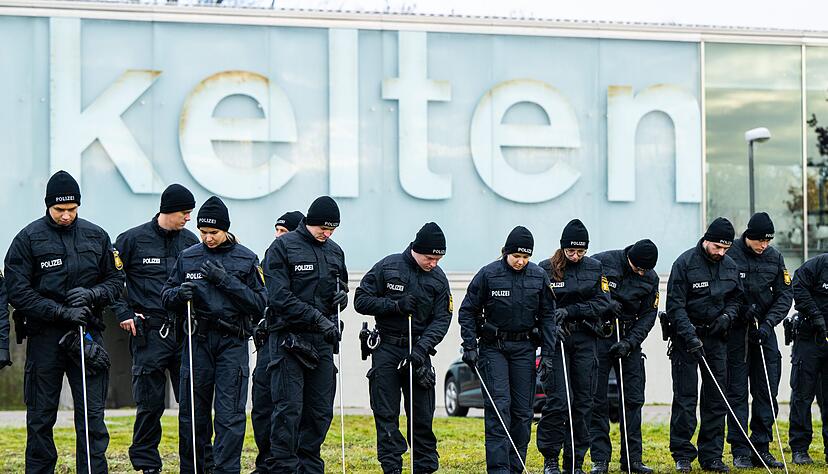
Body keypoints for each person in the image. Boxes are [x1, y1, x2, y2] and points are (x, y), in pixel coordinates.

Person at [4, 170, 124, 473]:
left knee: (92, 417)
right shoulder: (27, 238)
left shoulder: (97, 236)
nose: (66, 216)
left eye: (72, 209)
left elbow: (116, 281)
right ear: (48, 206)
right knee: (41, 417)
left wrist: (93, 294)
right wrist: (59, 312)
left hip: (87, 337)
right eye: (59, 210)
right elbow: (17, 292)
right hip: (45, 338)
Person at [161, 196, 267, 474]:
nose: (207, 238)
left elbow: (260, 303)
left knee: (229, 415)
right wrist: (177, 295)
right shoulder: (189, 256)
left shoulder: (246, 258)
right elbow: (166, 295)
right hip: (197, 341)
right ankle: (194, 469)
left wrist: (225, 280)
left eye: (214, 233)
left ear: (226, 230)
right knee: (192, 415)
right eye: (203, 232)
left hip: (232, 342)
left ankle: (226, 470)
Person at [112, 184, 199, 474]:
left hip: (185, 332)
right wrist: (123, 312)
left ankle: (194, 463)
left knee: (191, 404)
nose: (188, 218)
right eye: (185, 213)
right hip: (148, 332)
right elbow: (111, 278)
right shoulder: (132, 240)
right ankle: (147, 463)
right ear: (168, 210)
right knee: (150, 405)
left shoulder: (190, 241)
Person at [458, 226, 558, 474]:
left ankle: (516, 466)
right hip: (494, 349)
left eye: (525, 257)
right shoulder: (489, 274)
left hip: (525, 349)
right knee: (499, 408)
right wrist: (470, 345)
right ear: (506, 252)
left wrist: (548, 353)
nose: (520, 262)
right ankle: (499, 469)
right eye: (516, 257)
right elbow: (467, 311)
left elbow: (548, 316)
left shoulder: (538, 276)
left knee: (523, 412)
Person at [354, 222, 452, 474]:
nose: (434, 263)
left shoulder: (439, 279)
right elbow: (360, 300)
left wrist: (421, 351)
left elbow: (442, 319)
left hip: (418, 350)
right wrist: (394, 306)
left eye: (438, 258)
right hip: (387, 347)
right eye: (430, 258)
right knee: (386, 414)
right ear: (416, 250)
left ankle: (424, 467)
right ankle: (392, 467)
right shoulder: (388, 266)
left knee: (422, 417)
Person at [262, 196, 348, 473]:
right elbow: (278, 296)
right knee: (288, 410)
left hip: (322, 341)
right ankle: (284, 467)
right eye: (323, 228)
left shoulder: (335, 251)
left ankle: (309, 466)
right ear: (309, 222)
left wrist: (342, 297)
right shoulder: (282, 247)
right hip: (288, 340)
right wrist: (316, 318)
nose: (327, 234)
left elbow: (341, 284)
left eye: (332, 230)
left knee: (320, 410)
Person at [667, 217, 743, 473]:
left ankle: (711, 456)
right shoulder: (685, 263)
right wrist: (690, 337)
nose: (721, 253)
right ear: (706, 239)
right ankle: (683, 454)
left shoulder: (730, 266)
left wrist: (727, 317)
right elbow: (675, 306)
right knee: (686, 399)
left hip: (717, 339)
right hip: (686, 341)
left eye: (726, 249)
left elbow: (736, 299)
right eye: (717, 248)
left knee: (716, 399)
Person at [536, 219, 612, 474]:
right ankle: (551, 459)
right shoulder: (546, 268)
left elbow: (604, 303)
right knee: (557, 401)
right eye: (571, 251)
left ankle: (575, 461)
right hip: (556, 341)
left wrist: (571, 311)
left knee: (583, 403)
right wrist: (550, 322)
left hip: (586, 338)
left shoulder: (595, 267)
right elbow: (538, 305)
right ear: (563, 248)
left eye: (581, 251)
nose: (576, 256)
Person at [724, 213, 790, 469]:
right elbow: (723, 292)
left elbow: (785, 295)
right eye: (760, 240)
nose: (764, 245)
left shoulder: (775, 258)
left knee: (766, 392)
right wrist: (739, 311)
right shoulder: (730, 254)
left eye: (768, 241)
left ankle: (761, 447)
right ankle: (741, 450)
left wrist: (768, 323)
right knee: (737, 393)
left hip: (764, 332)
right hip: (737, 333)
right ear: (748, 236)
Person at [589, 239, 660, 474]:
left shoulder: (650, 278)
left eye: (645, 270)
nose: (641, 273)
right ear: (630, 258)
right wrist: (605, 305)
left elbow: (649, 315)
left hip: (629, 338)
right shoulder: (602, 262)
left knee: (632, 399)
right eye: (638, 268)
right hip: (600, 334)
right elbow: (584, 292)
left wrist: (629, 343)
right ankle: (600, 459)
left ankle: (632, 459)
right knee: (597, 399)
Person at [251, 210, 303, 474]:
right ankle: (266, 462)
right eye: (276, 230)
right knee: (261, 405)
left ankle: (290, 462)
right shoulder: (267, 259)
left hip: (293, 342)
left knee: (289, 408)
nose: (277, 236)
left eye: (283, 231)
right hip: (266, 341)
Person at [788, 240, 828, 465]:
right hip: (809, 339)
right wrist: (816, 316)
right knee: (802, 396)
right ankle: (800, 449)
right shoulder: (817, 265)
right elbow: (798, 287)